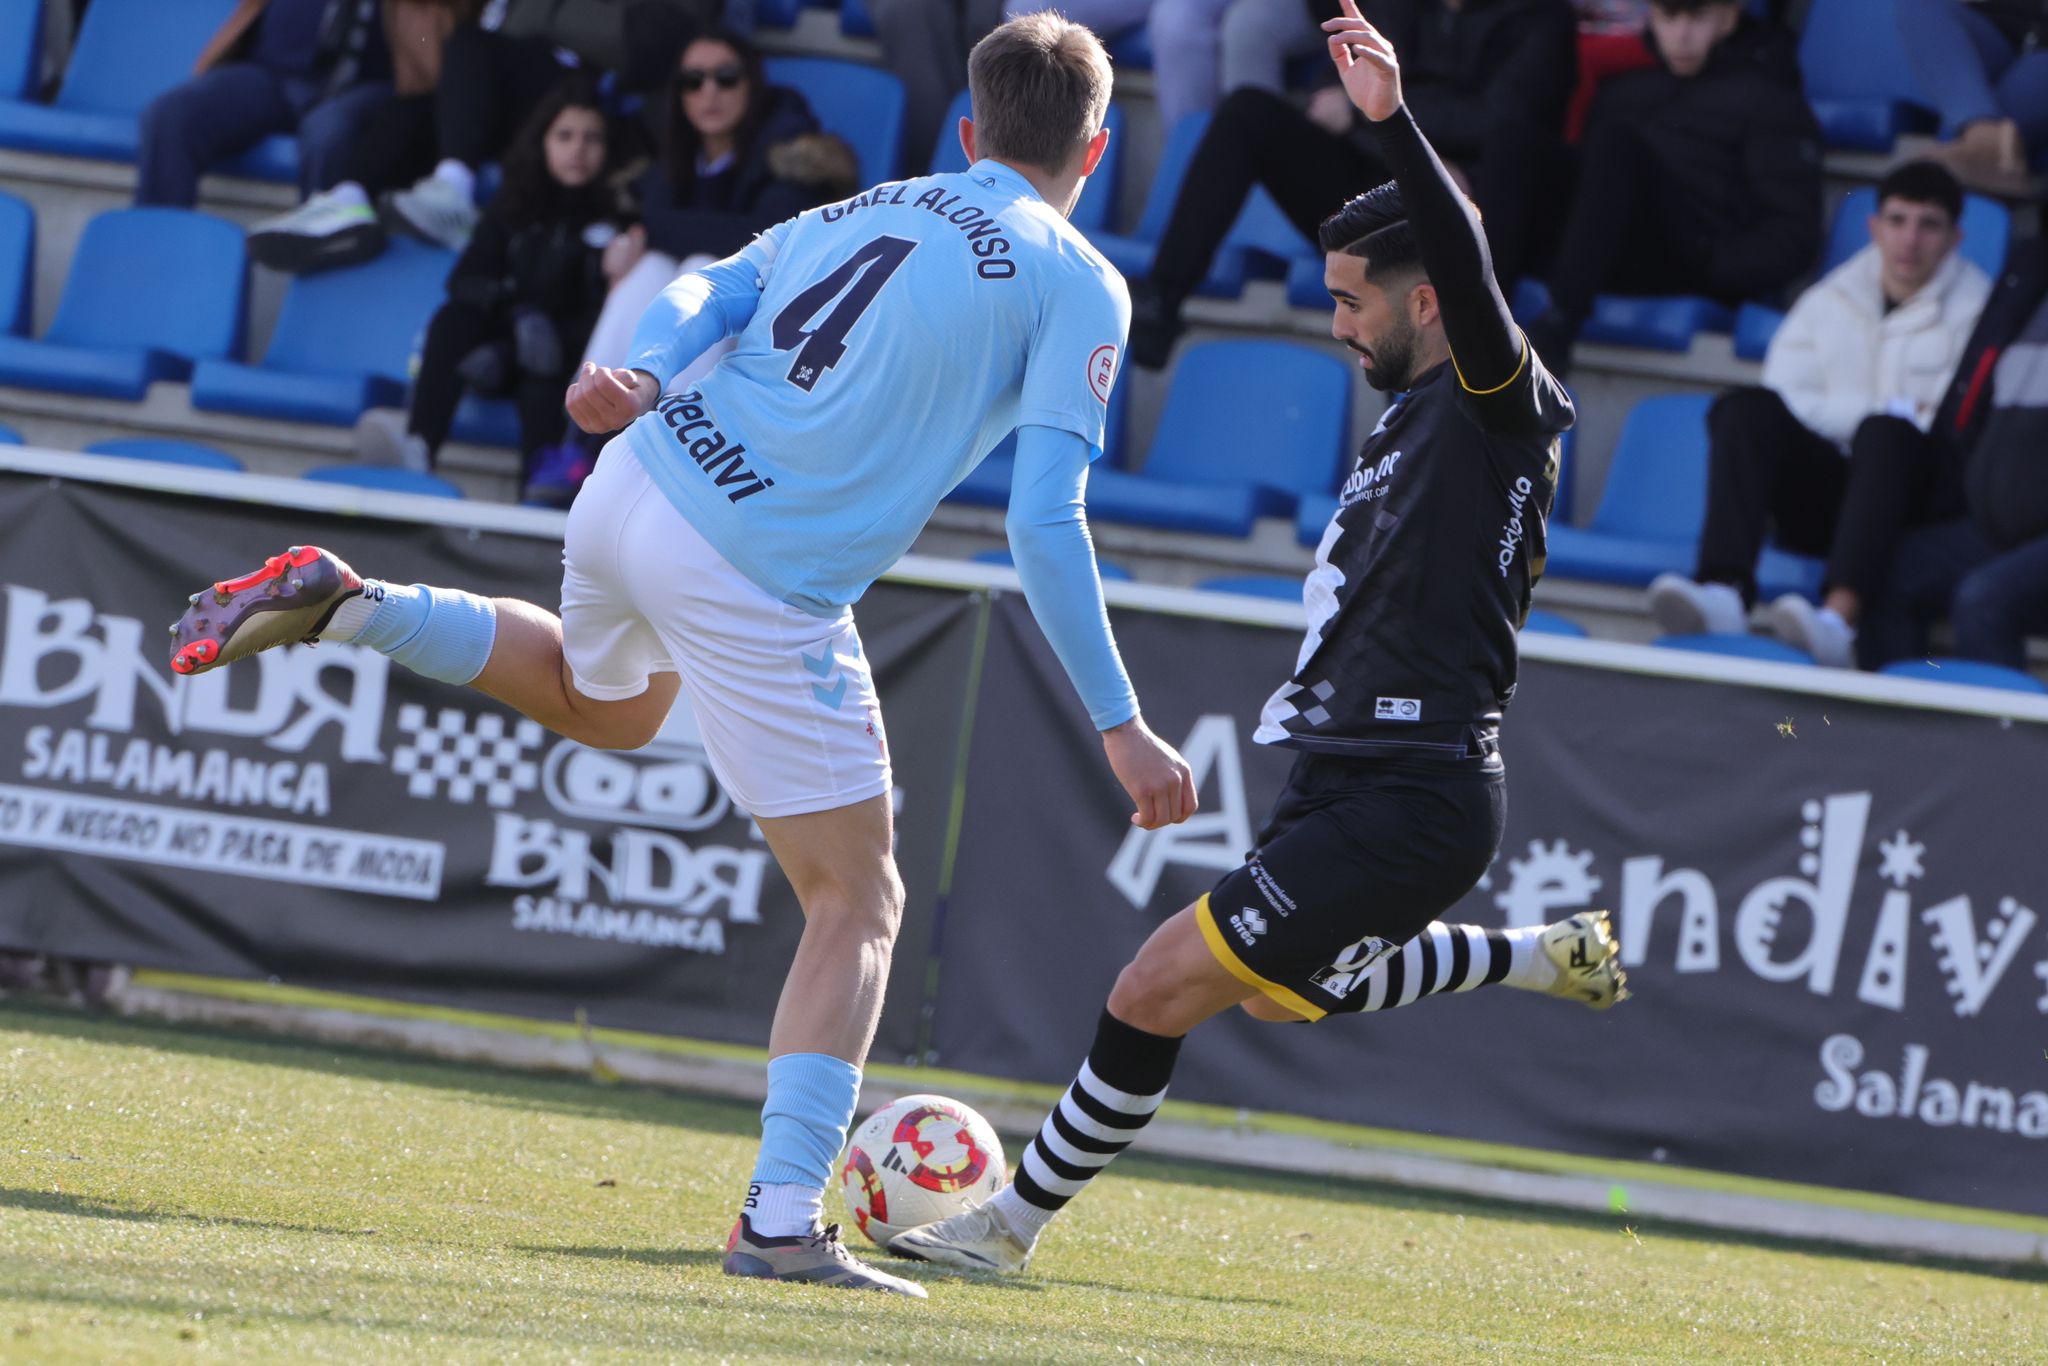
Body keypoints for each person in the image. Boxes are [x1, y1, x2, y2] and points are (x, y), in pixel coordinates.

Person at [167, 14, 1195, 1299]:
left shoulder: (878, 195)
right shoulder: (1076, 277)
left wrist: (644, 370)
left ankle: (354, 604)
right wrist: (1116, 718)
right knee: (857, 901)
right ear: (1095, 147)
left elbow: (707, 282)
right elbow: (1044, 518)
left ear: (967, 132)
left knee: (605, 707)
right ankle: (776, 1218)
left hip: (635, 481)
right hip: (759, 567)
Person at [888, 2, 1626, 1277]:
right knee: (1305, 985)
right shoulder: (1409, 406)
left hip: (1418, 790)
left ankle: (1005, 1228)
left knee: (1150, 985)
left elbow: (1460, 245)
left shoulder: (1496, 404)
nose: (1336, 324)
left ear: (1439, 303)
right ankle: (1531, 953)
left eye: (1353, 302)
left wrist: (1393, 125)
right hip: (1343, 776)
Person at [1647, 160, 1992, 665]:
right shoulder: (1829, 298)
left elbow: (1950, 425)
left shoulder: (1980, 311)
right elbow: (1785, 397)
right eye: (1897, 221)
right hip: (1831, 497)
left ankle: (1837, 617)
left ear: (1955, 238)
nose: (1910, 240)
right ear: (1874, 227)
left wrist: (1873, 421)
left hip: (1917, 514)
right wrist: (1882, 413)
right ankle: (1723, 591)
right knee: (1745, 410)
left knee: (1887, 435)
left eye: (1929, 225)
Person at [1129, 0, 1578, 369]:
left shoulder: (1542, 17)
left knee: (1503, 158)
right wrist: (1380, 120)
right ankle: (1162, 300)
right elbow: (1336, 89)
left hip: (1467, 211)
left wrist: (1380, 114)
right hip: (1379, 176)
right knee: (1248, 112)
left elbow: (1506, 123)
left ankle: (1465, 359)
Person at [1521, 0, 1823, 377]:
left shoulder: (1769, 101)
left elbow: (1794, 232)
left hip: (1693, 262)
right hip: (1608, 257)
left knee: (1617, 145)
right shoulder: (1622, 92)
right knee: (1516, 141)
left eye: (1695, 17)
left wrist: (1716, 269)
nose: (1681, 35)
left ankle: (1558, 325)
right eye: (1669, 17)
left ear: (1727, 19)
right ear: (1651, 16)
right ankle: (1474, 313)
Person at [352, 79, 619, 494]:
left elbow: (605, 317)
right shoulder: (513, 205)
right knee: (453, 319)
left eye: (592, 138)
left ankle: (537, 494)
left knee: (542, 375)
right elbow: (464, 280)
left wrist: (530, 339)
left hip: (562, 364)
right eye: (565, 136)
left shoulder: (619, 221)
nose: (577, 150)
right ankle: (419, 445)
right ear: (543, 141)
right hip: (495, 352)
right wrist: (514, 322)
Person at [577, 28, 848, 379]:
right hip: (707, 317)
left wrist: (651, 233)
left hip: (778, 318)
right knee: (649, 267)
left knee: (703, 266)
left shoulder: (790, 148)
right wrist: (633, 244)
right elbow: (654, 217)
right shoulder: (679, 151)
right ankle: (595, 414)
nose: (710, 92)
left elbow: (761, 237)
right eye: (693, 80)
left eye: (726, 77)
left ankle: (678, 420)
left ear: (751, 83)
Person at [1858, 231, 2048, 671]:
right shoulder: (2031, 273)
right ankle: (1899, 732)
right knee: (1883, 571)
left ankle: (1996, 739)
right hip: (2002, 524)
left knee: (1984, 600)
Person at [134, 0, 395, 210]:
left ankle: (322, 265)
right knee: (172, 116)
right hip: (275, 74)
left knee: (328, 136)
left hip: (364, 83)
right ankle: (156, 258)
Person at [1901, 0, 2048, 198]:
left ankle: (1982, 146)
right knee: (1919, 6)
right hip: (1998, 32)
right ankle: (1984, 140)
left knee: (1950, 142)